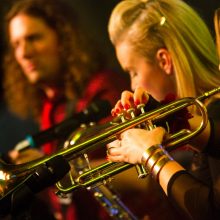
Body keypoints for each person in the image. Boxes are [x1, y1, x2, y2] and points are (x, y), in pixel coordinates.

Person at [1, 0, 130, 219]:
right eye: (16, 44)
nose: (23, 53)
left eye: (33, 38)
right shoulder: (48, 105)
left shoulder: (103, 89)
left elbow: (131, 166)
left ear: (62, 38)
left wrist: (46, 169)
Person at [106, 0, 220, 219]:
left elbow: (212, 212)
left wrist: (151, 155)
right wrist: (162, 114)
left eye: (133, 72)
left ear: (164, 60)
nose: (132, 85)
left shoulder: (216, 110)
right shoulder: (205, 112)